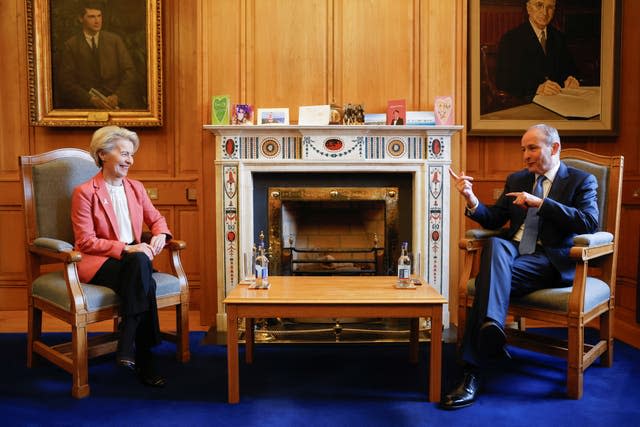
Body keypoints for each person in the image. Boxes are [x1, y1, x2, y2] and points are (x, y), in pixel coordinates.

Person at [442, 123, 599, 409]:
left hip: (549, 260)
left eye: (532, 148)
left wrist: (541, 203)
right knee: (495, 243)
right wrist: (471, 198)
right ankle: (492, 328)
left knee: (488, 281)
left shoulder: (581, 181)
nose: (525, 156)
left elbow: (589, 222)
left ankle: (472, 372)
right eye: (523, 149)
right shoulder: (517, 179)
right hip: (512, 253)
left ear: (554, 148)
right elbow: (494, 219)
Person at [71, 126, 171, 387]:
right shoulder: (84, 193)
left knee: (140, 267)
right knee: (143, 273)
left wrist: (160, 234)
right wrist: (126, 248)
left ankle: (128, 340)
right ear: (103, 154)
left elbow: (157, 219)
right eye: (124, 153)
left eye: (132, 155)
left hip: (134, 260)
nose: (130, 160)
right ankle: (144, 355)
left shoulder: (136, 188)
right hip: (101, 261)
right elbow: (85, 241)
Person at [56, 2, 141, 109]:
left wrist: (117, 96)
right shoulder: (71, 45)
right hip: (86, 106)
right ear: (80, 19)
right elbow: (66, 82)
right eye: (91, 17)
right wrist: (89, 99)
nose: (97, 21)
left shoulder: (114, 41)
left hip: (117, 104)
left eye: (99, 16)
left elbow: (130, 73)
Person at [495, 0, 580, 101]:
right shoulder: (511, 39)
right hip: (525, 103)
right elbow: (504, 81)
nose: (544, 12)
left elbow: (571, 69)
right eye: (539, 5)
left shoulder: (559, 37)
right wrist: (536, 88)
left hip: (559, 101)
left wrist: (571, 78)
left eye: (550, 7)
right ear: (528, 8)